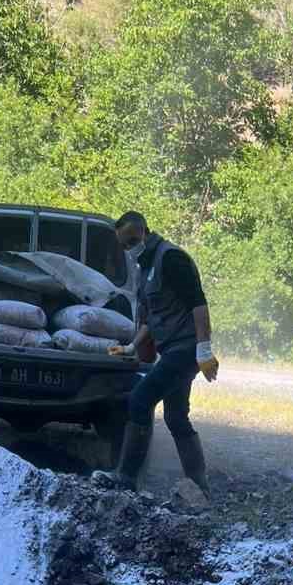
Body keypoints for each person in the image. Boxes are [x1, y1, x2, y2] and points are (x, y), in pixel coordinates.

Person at [103, 211, 219, 493]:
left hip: (185, 349)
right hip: (172, 350)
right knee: (176, 416)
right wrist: (132, 345)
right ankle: (199, 484)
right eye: (124, 245)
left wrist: (204, 349)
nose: (130, 249)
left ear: (145, 231)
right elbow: (151, 320)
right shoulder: (145, 269)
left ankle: (126, 477)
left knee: (140, 400)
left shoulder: (170, 258)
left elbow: (198, 305)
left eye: (132, 240)